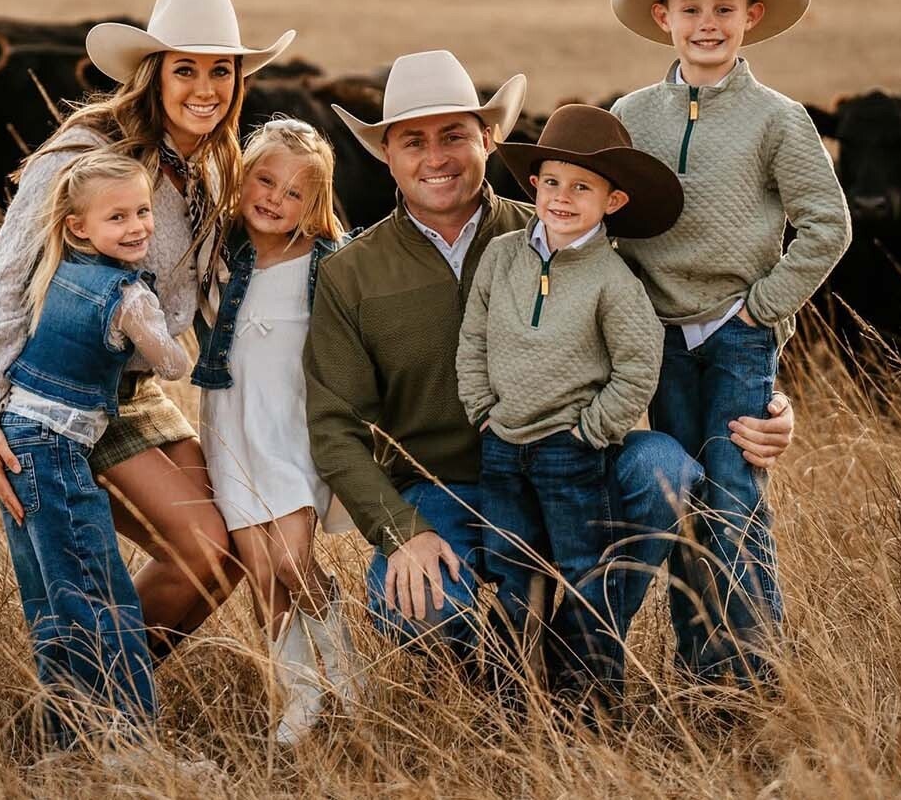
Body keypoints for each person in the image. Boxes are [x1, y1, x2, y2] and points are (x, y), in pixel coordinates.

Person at [306, 50, 796, 671]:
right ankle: (498, 680)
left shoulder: (563, 229)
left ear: (489, 137)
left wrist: (767, 404)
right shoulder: (351, 273)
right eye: (413, 141)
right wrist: (402, 531)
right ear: (386, 155)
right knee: (412, 601)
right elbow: (335, 426)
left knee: (664, 469)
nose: (436, 158)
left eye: (454, 135)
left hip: (574, 466)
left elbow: (678, 331)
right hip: (444, 492)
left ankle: (579, 650)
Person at [0, 0, 295, 656]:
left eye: (220, 70)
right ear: (154, 74)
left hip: (141, 394)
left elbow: (214, 296)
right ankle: (98, 703)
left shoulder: (214, 169)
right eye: (185, 69)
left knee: (224, 553)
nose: (206, 88)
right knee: (198, 548)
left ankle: (100, 692)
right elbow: (4, 283)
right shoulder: (85, 155)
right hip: (66, 388)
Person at [609, 0, 851, 684]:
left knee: (733, 496)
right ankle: (701, 667)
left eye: (724, 9)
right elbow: (605, 222)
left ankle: (750, 677)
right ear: (663, 19)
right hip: (659, 341)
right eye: (690, 10)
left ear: (752, 18)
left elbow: (827, 224)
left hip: (738, 335)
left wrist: (762, 307)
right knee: (688, 498)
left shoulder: (778, 117)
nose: (706, 25)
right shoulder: (632, 114)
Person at [457, 103, 684, 711]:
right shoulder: (503, 256)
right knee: (511, 572)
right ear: (533, 185)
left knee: (585, 570)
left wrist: (593, 430)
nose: (562, 197)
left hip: (571, 449)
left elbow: (639, 364)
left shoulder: (613, 280)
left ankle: (589, 702)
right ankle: (507, 702)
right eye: (552, 182)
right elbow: (473, 335)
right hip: (501, 441)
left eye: (582, 187)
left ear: (612, 202)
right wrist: (481, 406)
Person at [0, 147, 190, 744]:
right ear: (79, 225)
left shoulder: (58, 270)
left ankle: (68, 740)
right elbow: (175, 363)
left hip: (18, 433)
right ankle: (128, 747)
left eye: (142, 212)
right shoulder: (128, 297)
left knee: (53, 600)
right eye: (118, 218)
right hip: (54, 451)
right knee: (100, 594)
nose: (137, 228)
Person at [190, 118, 360, 744]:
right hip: (231, 430)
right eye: (264, 180)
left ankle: (346, 676)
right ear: (242, 178)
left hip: (292, 431)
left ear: (314, 206)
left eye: (294, 193)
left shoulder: (327, 263)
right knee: (261, 569)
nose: (274, 199)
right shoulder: (217, 250)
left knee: (292, 557)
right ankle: (300, 695)